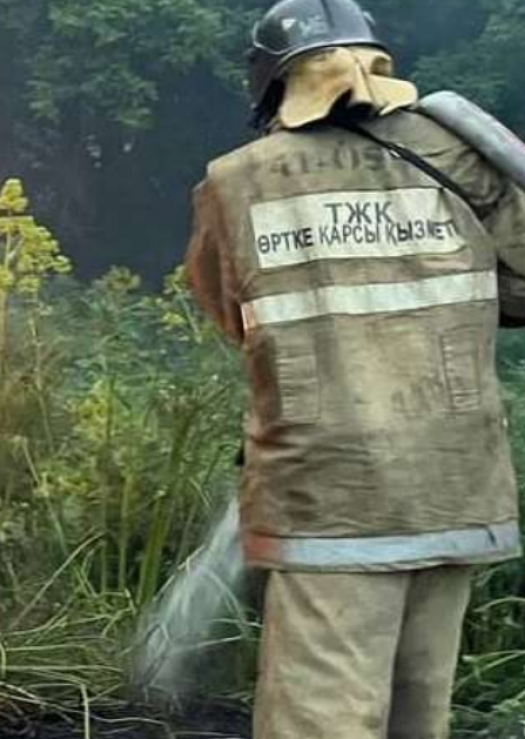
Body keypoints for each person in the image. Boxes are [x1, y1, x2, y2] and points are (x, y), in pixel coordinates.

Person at [184, 1, 525, 737]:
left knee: (321, 717)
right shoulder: (459, 153)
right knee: (416, 714)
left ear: (273, 84)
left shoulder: (238, 181)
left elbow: (226, 310)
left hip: (330, 499)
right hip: (455, 486)